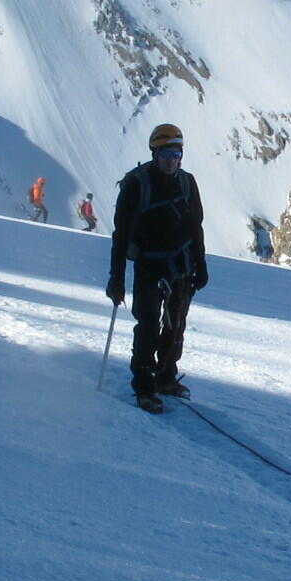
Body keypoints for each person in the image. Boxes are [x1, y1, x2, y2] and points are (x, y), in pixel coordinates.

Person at [107, 124, 207, 410]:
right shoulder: (137, 185)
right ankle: (144, 386)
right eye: (165, 154)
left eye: (176, 154)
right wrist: (117, 277)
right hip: (149, 267)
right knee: (149, 325)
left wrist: (201, 263)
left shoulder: (187, 183)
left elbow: (195, 225)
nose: (171, 160)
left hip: (181, 266)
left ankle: (165, 375)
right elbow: (121, 234)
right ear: (154, 153)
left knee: (176, 326)